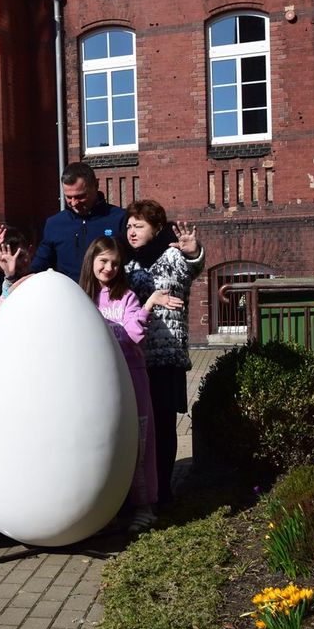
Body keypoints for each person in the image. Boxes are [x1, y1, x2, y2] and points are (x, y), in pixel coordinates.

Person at [79, 235, 167, 534]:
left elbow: (133, 334)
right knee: (104, 442)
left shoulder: (126, 297)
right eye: (103, 261)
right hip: (95, 383)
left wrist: (148, 306)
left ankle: (145, 505)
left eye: (115, 263)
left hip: (132, 377)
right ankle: (109, 507)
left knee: (139, 440)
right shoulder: (80, 298)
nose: (109, 268)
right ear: (91, 261)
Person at [124, 200, 205, 509]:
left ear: (156, 228)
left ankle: (164, 491)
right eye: (129, 226)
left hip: (166, 357)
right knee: (140, 427)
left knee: (163, 426)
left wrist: (192, 252)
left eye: (139, 226)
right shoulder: (128, 264)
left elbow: (193, 266)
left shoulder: (171, 255)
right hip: (135, 356)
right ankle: (140, 490)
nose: (132, 232)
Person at [30, 162, 128, 281]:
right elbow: (40, 266)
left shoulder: (120, 219)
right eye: (68, 197)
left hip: (110, 296)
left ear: (96, 186)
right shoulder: (54, 224)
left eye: (80, 196)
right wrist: (16, 273)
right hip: (69, 296)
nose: (74, 203)